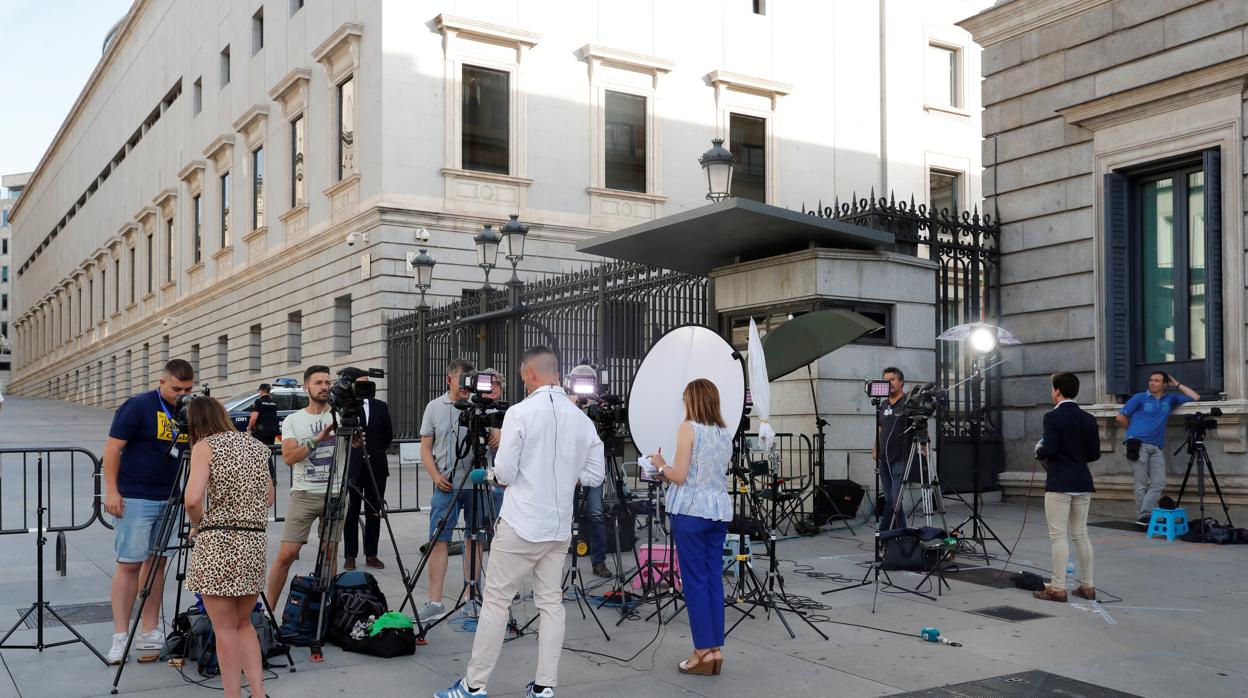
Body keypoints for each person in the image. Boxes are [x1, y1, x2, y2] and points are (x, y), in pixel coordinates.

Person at [437, 346, 605, 698]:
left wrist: (496, 472)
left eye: (521, 375)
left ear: (529, 374)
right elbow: (594, 474)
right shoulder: (582, 420)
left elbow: (507, 472)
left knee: (497, 602)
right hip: (558, 526)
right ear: (556, 373)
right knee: (551, 605)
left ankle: (474, 684)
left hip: (521, 523)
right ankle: (545, 687)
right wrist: (562, 475)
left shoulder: (520, 413)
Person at [102, 358, 195, 664]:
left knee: (157, 567)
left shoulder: (189, 409)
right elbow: (113, 448)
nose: (180, 394)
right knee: (129, 564)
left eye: (187, 388)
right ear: (161, 382)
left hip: (170, 498)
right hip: (136, 496)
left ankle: (149, 630)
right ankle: (119, 635)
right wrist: (112, 491)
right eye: (176, 388)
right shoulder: (138, 406)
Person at [183, 397, 274, 698]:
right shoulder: (258, 447)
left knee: (223, 628)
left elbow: (193, 500)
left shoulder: (204, 447)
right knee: (243, 623)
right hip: (252, 542)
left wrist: (200, 524)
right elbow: (269, 496)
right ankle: (258, 693)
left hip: (218, 543)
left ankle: (232, 695)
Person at [648, 378, 732, 676]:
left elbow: (680, 475)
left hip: (691, 512)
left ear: (692, 401)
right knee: (712, 580)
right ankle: (715, 649)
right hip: (717, 511)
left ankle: (701, 652)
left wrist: (659, 465)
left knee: (694, 581)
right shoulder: (724, 432)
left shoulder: (688, 428)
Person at [266, 365, 358, 610]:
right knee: (287, 554)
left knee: (330, 553)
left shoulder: (341, 415)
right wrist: (318, 439)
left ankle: (328, 609)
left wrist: (357, 437)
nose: (325, 387)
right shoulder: (293, 420)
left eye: (327, 382)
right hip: (304, 494)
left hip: (337, 494)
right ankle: (268, 611)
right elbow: (288, 457)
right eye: (318, 382)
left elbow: (357, 447)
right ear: (306, 387)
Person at [417, 358, 485, 623]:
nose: (467, 385)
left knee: (475, 538)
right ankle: (435, 601)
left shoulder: (480, 407)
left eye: (471, 380)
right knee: (438, 539)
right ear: (449, 379)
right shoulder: (434, 407)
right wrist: (435, 475)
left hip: (476, 484)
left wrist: (495, 432)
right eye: (462, 379)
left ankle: (472, 596)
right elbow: (425, 446)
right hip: (446, 485)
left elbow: (496, 440)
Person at [1033, 372, 1100, 603]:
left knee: (1058, 536)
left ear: (1058, 391)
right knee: (1081, 535)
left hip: (1060, 481)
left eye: (1052, 388)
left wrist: (1039, 450)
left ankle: (1058, 588)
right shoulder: (1088, 419)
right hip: (1082, 480)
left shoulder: (1052, 417)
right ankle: (1088, 586)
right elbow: (1094, 454)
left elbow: (1049, 450)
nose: (1051, 392)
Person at [1115, 371, 1198, 526]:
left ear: (1164, 384)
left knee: (1159, 483)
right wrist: (1133, 433)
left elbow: (1195, 397)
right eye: (1151, 380)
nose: (1152, 383)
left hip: (1156, 447)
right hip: (1137, 444)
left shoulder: (1170, 399)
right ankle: (1144, 517)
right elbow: (1120, 417)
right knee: (1141, 483)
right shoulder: (1140, 397)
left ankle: (1144, 516)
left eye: (1157, 381)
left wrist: (1177, 384)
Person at [343, 375, 394, 570]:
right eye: (359, 383)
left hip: (377, 467)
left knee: (374, 511)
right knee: (351, 513)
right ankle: (350, 555)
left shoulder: (381, 406)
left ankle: (372, 554)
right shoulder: (346, 407)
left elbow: (388, 434)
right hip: (354, 467)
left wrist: (375, 450)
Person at [872, 367, 910, 530]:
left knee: (895, 499)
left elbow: (920, 424)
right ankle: (901, 534)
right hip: (883, 459)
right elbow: (880, 428)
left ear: (901, 382)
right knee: (891, 499)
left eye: (892, 379)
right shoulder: (884, 404)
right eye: (886, 380)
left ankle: (883, 534)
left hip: (900, 458)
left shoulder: (909, 402)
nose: (889, 383)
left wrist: (924, 446)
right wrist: (875, 448)